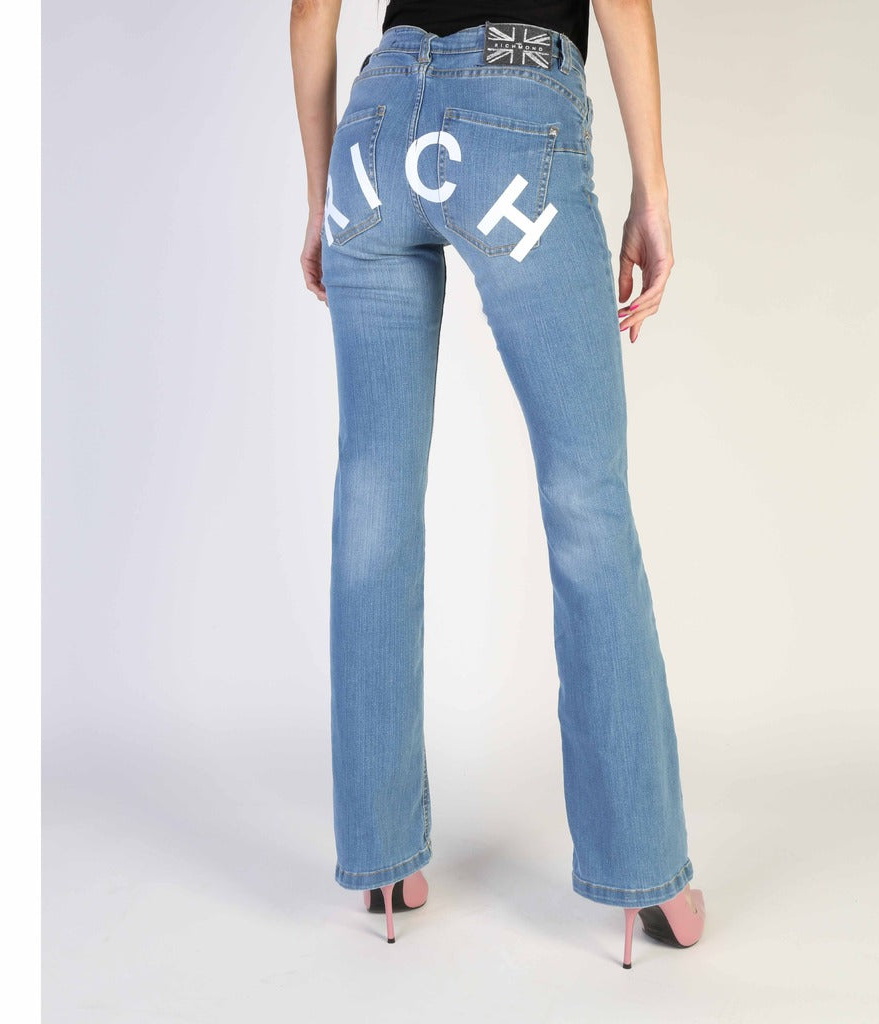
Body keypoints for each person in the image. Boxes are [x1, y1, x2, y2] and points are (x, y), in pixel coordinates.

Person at [289, 0, 705, 966]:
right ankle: (644, 870)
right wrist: (651, 192)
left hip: (374, 133)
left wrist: (319, 199)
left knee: (373, 494)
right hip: (514, 113)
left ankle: (381, 862)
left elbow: (312, 13)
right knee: (586, 497)